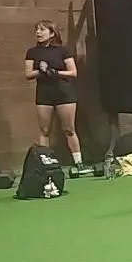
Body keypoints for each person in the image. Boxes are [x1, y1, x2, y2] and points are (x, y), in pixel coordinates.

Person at [23, 21, 86, 171]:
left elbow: (73, 72)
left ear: (52, 33)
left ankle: (79, 163)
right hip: (44, 94)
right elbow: (28, 74)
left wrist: (54, 72)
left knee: (69, 129)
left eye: (42, 30)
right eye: (37, 30)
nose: (38, 32)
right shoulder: (32, 52)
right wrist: (41, 71)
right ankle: (44, 164)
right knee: (44, 130)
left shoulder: (63, 50)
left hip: (64, 93)